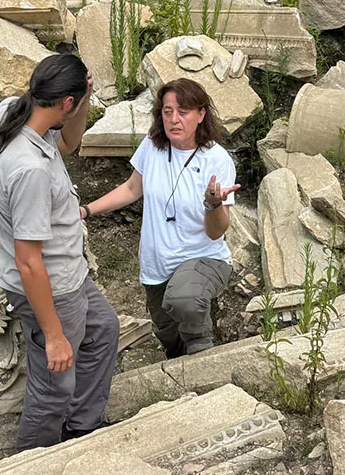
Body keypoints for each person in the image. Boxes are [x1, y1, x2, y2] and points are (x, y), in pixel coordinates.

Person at [0, 55, 120, 451]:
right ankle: (33, 459)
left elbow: (69, 142)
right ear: (65, 104)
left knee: (104, 329)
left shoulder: (12, 111)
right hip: (53, 287)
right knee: (54, 385)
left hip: (68, 274)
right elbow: (28, 260)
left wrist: (84, 98)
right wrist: (55, 335)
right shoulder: (31, 171)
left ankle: (81, 430)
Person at [81, 78, 239, 358]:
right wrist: (86, 210)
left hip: (203, 256)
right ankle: (179, 370)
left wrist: (213, 205)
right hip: (156, 265)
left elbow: (217, 232)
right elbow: (131, 188)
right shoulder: (152, 147)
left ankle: (204, 357)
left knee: (184, 301)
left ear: (201, 115)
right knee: (167, 334)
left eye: (183, 112)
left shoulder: (217, 160)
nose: (174, 120)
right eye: (168, 112)